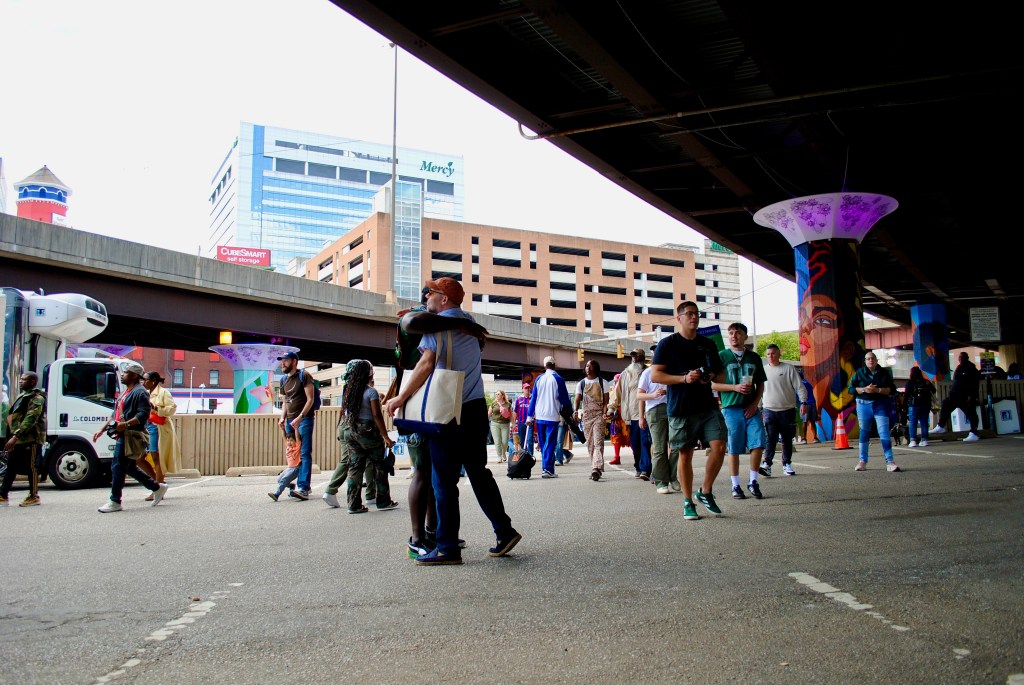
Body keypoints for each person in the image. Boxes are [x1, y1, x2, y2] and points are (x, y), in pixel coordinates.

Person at [385, 277, 521, 565]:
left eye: (431, 293)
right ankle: (503, 530)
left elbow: (425, 364)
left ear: (444, 299)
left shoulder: (438, 327)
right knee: (479, 473)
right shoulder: (470, 325)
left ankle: (447, 547)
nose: (427, 297)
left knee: (443, 481)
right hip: (474, 409)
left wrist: (400, 397)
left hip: (448, 410)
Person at [650, 301, 727, 521]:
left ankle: (705, 491)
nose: (694, 317)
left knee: (720, 445)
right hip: (681, 407)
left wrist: (710, 377)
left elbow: (720, 376)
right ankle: (687, 501)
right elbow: (656, 375)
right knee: (685, 454)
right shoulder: (668, 344)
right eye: (689, 314)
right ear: (679, 318)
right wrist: (684, 378)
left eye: (697, 314)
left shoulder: (708, 344)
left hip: (707, 405)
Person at [94, 362, 168, 512]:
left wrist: (126, 424)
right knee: (128, 467)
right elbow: (115, 413)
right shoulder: (126, 392)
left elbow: (143, 414)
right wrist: (102, 429)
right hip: (124, 433)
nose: (122, 375)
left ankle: (115, 501)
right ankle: (156, 487)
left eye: (125, 373)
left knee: (117, 466)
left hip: (129, 435)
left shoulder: (140, 392)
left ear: (134, 376)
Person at [712, 323, 768, 499]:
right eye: (730, 333)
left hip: (751, 408)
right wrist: (734, 387)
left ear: (745, 336)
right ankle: (735, 485)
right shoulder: (722, 356)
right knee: (734, 447)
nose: (734, 336)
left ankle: (753, 481)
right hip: (731, 408)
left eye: (738, 333)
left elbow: (761, 383)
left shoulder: (754, 357)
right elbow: (712, 384)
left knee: (758, 443)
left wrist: (755, 404)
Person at [338, 359, 397, 513]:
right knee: (380, 466)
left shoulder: (348, 392)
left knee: (355, 468)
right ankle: (383, 501)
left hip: (351, 432)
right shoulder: (371, 392)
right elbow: (377, 416)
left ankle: (353, 505)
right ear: (367, 374)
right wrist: (386, 437)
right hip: (368, 432)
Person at [322, 360, 378, 508]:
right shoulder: (359, 387)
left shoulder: (348, 385)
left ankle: (370, 494)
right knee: (351, 460)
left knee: (358, 460)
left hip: (346, 425)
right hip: (354, 427)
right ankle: (331, 489)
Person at [848, 351, 901, 472]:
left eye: (872, 358)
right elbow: (851, 389)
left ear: (877, 360)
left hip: (880, 404)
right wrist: (864, 389)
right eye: (868, 359)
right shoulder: (859, 373)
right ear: (865, 361)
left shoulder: (884, 373)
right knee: (864, 432)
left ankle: (890, 461)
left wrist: (878, 390)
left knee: (884, 432)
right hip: (863, 405)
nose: (870, 360)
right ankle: (862, 461)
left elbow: (892, 389)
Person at [0, 371, 46, 507]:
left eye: (23, 379)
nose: (20, 381)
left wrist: (15, 436)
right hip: (19, 438)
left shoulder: (37, 398)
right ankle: (3, 495)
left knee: (32, 467)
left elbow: (31, 419)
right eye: (20, 379)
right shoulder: (23, 396)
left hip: (31, 439)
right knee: (11, 466)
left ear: (32, 382)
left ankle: (34, 496)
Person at [760, 344, 806, 477]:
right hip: (769, 410)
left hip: (787, 409)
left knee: (787, 439)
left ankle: (787, 464)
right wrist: (757, 407)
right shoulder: (763, 370)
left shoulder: (788, 368)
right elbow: (760, 390)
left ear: (779, 354)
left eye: (773, 353)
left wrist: (803, 402)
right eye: (768, 354)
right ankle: (767, 464)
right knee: (770, 438)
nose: (771, 356)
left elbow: (800, 387)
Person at [277, 351, 315, 500]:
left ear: (294, 362)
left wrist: (300, 417)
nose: (282, 363)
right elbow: (286, 400)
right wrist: (282, 417)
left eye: (285, 361)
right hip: (289, 420)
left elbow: (310, 399)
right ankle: (294, 482)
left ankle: (304, 487)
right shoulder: (283, 380)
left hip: (304, 419)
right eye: (282, 361)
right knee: (293, 452)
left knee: (305, 453)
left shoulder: (304, 376)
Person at [636, 352, 675, 494]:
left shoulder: (671, 371)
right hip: (654, 411)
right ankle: (661, 481)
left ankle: (673, 476)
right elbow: (639, 395)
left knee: (677, 445)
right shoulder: (647, 373)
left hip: (673, 408)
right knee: (659, 447)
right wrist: (653, 395)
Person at [527, 355, 571, 478]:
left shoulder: (539, 379)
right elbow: (564, 399)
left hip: (540, 415)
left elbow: (533, 399)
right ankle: (548, 469)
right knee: (550, 442)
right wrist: (570, 412)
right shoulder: (558, 379)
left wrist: (529, 417)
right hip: (552, 415)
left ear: (544, 365)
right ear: (554, 365)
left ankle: (546, 468)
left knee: (543, 443)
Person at [610, 347, 651, 479]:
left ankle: (645, 469)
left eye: (637, 356)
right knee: (635, 443)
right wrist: (611, 408)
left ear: (642, 358)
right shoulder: (625, 373)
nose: (634, 358)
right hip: (630, 416)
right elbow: (617, 392)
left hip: (645, 413)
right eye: (633, 356)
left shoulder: (648, 372)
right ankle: (638, 466)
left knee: (645, 441)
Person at [140, 371, 180, 500]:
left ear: (153, 381)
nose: (143, 382)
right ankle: (157, 485)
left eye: (145, 380)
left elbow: (172, 408)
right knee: (139, 457)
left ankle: (157, 488)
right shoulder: (145, 393)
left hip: (157, 427)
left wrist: (157, 408)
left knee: (157, 457)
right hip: (145, 427)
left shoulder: (163, 393)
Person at [932, 351, 981, 442]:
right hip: (955, 395)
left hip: (965, 396)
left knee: (971, 413)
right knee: (945, 405)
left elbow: (974, 384)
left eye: (962, 357)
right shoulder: (959, 368)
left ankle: (974, 432)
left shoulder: (971, 369)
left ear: (967, 358)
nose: (960, 359)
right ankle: (941, 426)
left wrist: (972, 396)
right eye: (959, 357)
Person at [573, 359, 608, 481]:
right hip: (587, 416)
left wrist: (604, 413)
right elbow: (577, 399)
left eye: (590, 366)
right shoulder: (581, 383)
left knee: (598, 442)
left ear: (595, 368)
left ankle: (596, 468)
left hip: (599, 415)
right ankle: (595, 467)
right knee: (590, 443)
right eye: (586, 365)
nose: (587, 368)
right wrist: (576, 411)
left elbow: (606, 401)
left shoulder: (603, 382)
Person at [904, 366, 936, 447]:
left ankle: (913, 440)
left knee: (913, 423)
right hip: (925, 405)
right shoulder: (926, 381)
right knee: (924, 423)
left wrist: (904, 406)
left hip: (913, 405)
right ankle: (924, 440)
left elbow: (907, 395)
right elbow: (934, 390)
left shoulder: (910, 382)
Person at [268, 433, 301, 501]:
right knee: (279, 480)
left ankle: (277, 494)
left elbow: (297, 438)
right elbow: (284, 437)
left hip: (295, 468)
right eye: (288, 441)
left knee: (284, 480)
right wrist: (282, 429)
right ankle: (291, 486)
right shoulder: (288, 448)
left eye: (291, 440)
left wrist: (296, 428)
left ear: (295, 441)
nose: (289, 442)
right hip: (288, 468)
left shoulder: (297, 447)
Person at [608, 374, 628, 464]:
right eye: (615, 381)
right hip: (616, 417)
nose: (615, 383)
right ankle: (617, 457)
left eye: (617, 381)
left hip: (625, 415)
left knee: (629, 436)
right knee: (616, 436)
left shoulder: (625, 390)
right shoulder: (612, 391)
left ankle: (637, 458)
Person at [488, 390, 513, 463]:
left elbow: (511, 415)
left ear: (502, 395)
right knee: (497, 441)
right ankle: (499, 456)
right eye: (496, 394)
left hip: (505, 424)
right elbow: (489, 413)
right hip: (494, 424)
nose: (497, 395)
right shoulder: (493, 403)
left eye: (498, 394)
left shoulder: (508, 404)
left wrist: (513, 424)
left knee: (505, 442)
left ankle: (503, 453)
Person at [798, 370, 820, 443]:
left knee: (804, 421)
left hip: (805, 404)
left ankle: (804, 438)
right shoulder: (807, 383)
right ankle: (815, 438)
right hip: (812, 403)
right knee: (812, 421)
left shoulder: (799, 384)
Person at [513, 381, 533, 454]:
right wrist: (514, 422)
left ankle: (530, 455)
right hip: (521, 422)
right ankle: (525, 453)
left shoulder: (532, 398)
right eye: (525, 388)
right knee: (522, 439)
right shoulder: (519, 399)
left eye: (528, 388)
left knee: (530, 439)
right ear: (522, 389)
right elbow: (515, 411)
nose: (527, 390)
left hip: (530, 422)